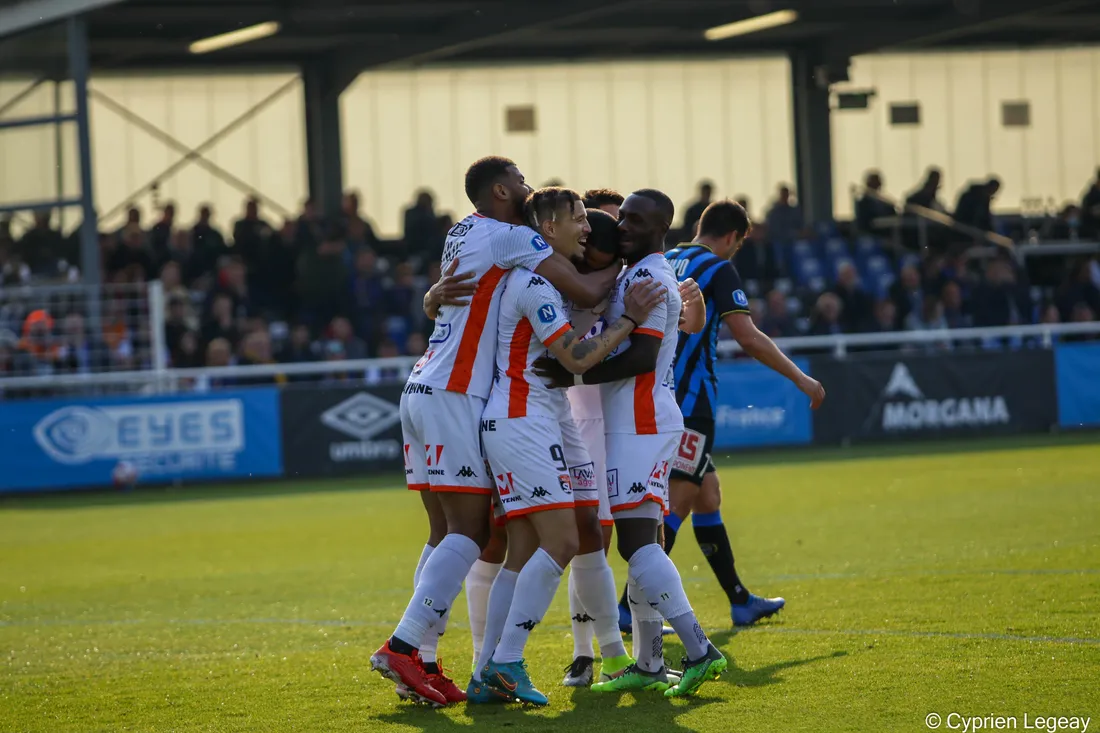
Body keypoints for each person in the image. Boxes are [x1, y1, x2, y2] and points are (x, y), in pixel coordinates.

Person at [370, 156, 618, 707]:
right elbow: (577, 285)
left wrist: (429, 298)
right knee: (470, 533)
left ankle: (427, 663)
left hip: (424, 385)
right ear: (503, 191)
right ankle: (404, 647)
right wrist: (632, 263)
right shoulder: (510, 237)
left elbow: (447, 296)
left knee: (442, 534)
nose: (531, 190)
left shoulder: (462, 232)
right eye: (523, 182)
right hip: (459, 392)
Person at [468, 187, 663, 706]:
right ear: (547, 228)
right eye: (578, 218)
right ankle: (505, 661)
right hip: (522, 419)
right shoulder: (533, 282)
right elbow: (576, 359)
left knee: (553, 543)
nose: (587, 226)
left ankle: (494, 668)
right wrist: (629, 319)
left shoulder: (554, 279)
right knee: (557, 543)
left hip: (552, 420)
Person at [536, 190, 727, 697]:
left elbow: (643, 357)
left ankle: (700, 648)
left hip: (639, 420)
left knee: (635, 543)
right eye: (624, 218)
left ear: (661, 226)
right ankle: (647, 662)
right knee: (648, 540)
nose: (624, 226)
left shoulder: (647, 277)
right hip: (645, 419)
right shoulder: (638, 273)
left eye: (636, 220)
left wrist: (570, 376)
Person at [659, 201, 824, 629]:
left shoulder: (666, 259)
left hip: (658, 397)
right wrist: (801, 379)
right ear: (734, 236)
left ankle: (739, 601)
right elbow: (747, 337)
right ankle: (628, 606)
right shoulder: (717, 268)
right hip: (692, 405)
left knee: (706, 494)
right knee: (676, 502)